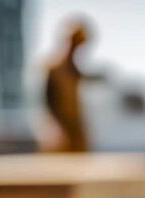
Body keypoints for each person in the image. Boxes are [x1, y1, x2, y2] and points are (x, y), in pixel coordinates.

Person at [44, 19, 103, 152]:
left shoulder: (75, 71)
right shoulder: (54, 69)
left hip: (75, 126)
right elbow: (47, 101)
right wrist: (56, 128)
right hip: (60, 130)